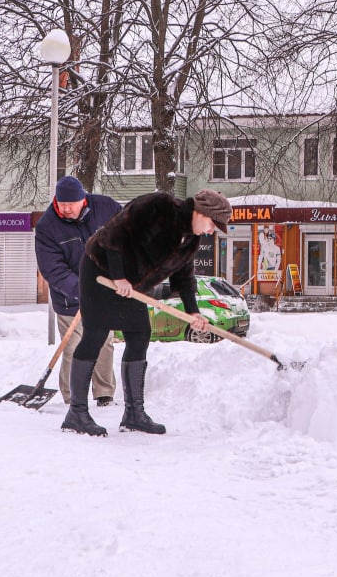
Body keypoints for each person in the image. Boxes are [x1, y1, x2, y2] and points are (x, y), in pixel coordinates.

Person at [61, 189, 233, 437]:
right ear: (200, 212)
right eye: (212, 224)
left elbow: (184, 277)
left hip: (132, 286)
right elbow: (114, 234)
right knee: (95, 335)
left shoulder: (191, 240)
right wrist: (118, 276)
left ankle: (134, 414)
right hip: (100, 271)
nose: (210, 231)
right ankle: (76, 413)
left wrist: (193, 312)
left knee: (140, 333)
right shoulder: (159, 206)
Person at [34, 175, 123, 406]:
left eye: (70, 205)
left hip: (104, 292)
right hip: (69, 299)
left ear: (83, 200)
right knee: (73, 346)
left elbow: (125, 235)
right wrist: (83, 290)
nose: (65, 209)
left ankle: (104, 392)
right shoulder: (47, 226)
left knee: (104, 342)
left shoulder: (105, 207)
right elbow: (53, 270)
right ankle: (73, 396)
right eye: (61, 204)